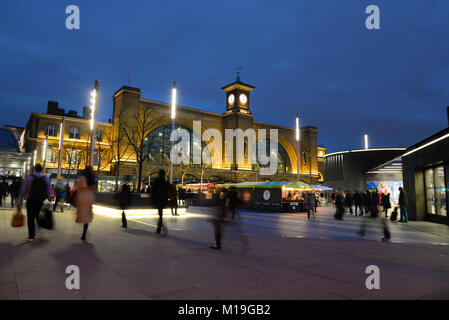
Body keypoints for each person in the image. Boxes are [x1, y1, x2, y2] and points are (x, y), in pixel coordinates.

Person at [17, 164, 51, 242]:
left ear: (34, 169)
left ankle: (31, 236)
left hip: (30, 200)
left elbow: (23, 190)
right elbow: (48, 189)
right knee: (37, 214)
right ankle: (40, 225)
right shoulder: (46, 178)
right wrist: (49, 198)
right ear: (42, 170)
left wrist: (20, 201)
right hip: (40, 200)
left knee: (30, 218)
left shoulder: (29, 178)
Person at [73, 167, 95, 241]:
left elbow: (75, 187)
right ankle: (84, 232)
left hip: (81, 197)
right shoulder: (92, 179)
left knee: (81, 213)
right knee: (87, 216)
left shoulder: (82, 178)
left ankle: (80, 221)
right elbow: (95, 189)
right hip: (89, 197)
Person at [151, 170, 169, 235]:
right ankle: (159, 228)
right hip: (163, 200)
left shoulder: (156, 181)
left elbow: (153, 190)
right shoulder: (165, 182)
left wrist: (153, 199)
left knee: (160, 214)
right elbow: (167, 191)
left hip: (158, 199)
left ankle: (160, 228)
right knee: (160, 214)